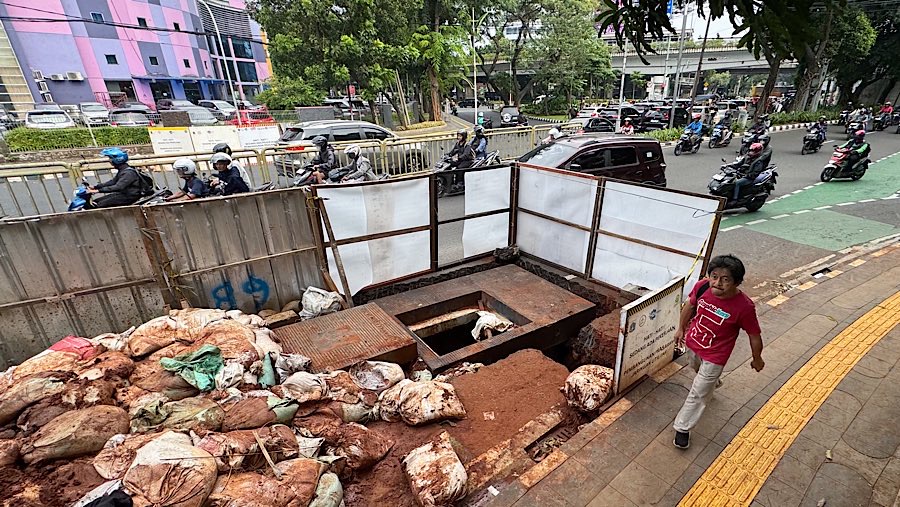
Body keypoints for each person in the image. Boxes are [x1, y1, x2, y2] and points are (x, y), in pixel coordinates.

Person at [673, 255, 764, 449]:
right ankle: (713, 382)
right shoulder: (702, 287)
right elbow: (690, 305)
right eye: (714, 277)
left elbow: (754, 335)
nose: (718, 283)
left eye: (725, 279)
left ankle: (682, 428)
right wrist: (680, 328)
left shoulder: (745, 307)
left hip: (716, 355)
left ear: (736, 282)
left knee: (698, 392)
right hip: (693, 343)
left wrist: (757, 358)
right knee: (696, 369)